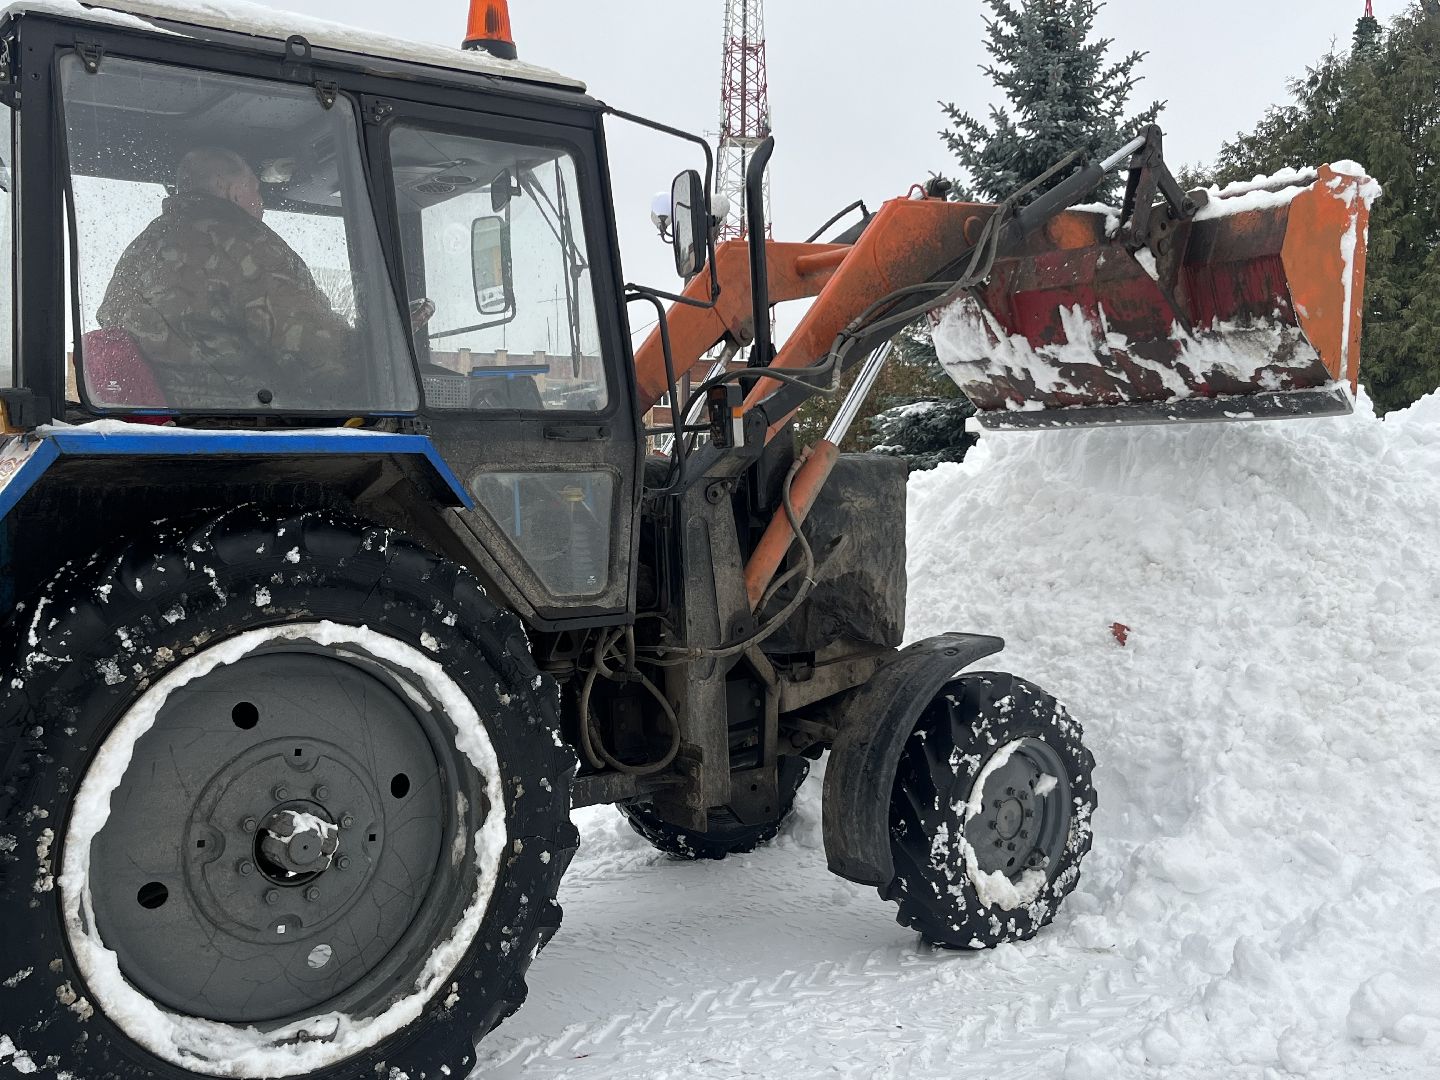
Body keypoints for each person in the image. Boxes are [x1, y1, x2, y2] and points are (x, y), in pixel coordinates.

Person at [96, 147, 350, 408]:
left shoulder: (141, 248)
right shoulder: (243, 242)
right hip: (250, 420)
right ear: (224, 186)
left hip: (171, 423)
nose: (261, 202)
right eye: (255, 188)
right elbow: (312, 346)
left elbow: (110, 321)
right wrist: (371, 361)